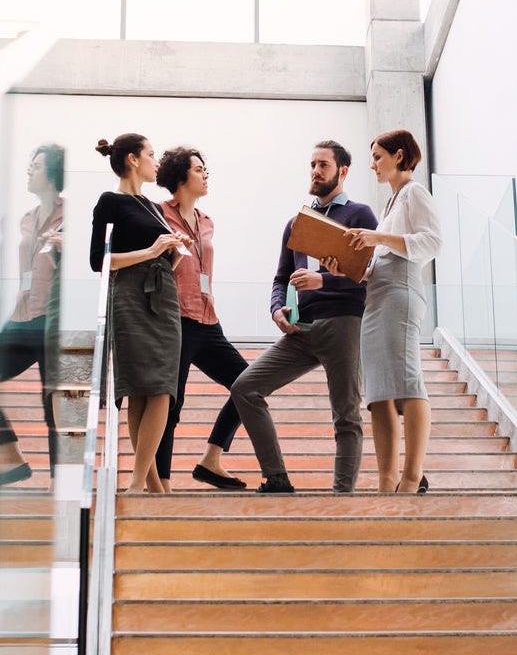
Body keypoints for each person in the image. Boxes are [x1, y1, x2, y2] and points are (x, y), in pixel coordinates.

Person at [230, 140, 377, 493]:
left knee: (346, 415)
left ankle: (342, 497)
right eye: (312, 164)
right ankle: (277, 477)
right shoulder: (296, 222)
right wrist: (276, 307)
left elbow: (369, 272)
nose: (315, 171)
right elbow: (281, 278)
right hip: (300, 328)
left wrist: (322, 279)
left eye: (323, 165)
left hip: (343, 322)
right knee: (245, 388)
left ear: (342, 171)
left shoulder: (360, 215)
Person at [323, 129, 441, 495]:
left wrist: (376, 238)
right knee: (379, 393)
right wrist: (347, 269)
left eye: (378, 156)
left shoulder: (414, 192)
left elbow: (432, 242)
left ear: (400, 156)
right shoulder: (392, 202)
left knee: (407, 382)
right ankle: (386, 480)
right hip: (376, 296)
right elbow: (380, 262)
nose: (372, 164)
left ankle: (410, 477)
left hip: (401, 293)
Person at [90, 133, 188, 493]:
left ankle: (146, 484)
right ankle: (142, 483)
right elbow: (98, 261)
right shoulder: (110, 201)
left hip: (163, 295)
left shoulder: (152, 206)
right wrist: (151, 251)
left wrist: (174, 249)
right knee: (139, 390)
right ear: (133, 159)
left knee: (162, 387)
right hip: (129, 294)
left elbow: (161, 255)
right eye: (150, 154)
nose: (155, 161)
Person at [154, 146, 247, 491]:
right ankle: (160, 484)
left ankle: (211, 459)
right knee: (169, 403)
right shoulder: (157, 214)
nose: (206, 174)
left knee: (249, 385)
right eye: (198, 169)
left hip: (208, 321)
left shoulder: (207, 221)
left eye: (206, 169)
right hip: (174, 320)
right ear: (180, 177)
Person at [0, 144, 64, 486]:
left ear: (53, 173)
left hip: (53, 320)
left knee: (53, 403)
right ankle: (10, 456)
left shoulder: (72, 216)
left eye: (35, 165)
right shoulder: (24, 218)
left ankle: (60, 484)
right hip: (22, 317)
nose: (29, 170)